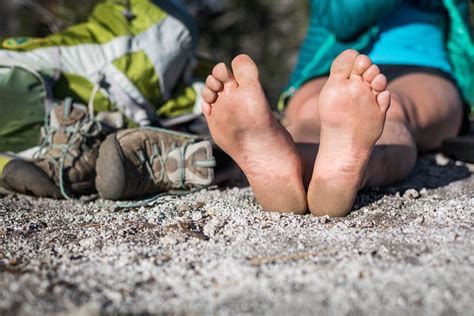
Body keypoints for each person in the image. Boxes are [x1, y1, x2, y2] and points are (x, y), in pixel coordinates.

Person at [200, 0, 473, 216]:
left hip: (425, 68)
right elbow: (341, 18)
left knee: (393, 110)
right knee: (311, 112)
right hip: (328, 67)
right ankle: (288, 164)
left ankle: (327, 168)